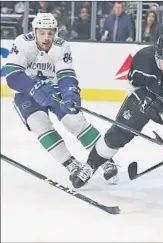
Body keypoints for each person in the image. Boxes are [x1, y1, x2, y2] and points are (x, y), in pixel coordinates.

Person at [71, 33, 163, 207]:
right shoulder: (143, 59)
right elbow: (133, 85)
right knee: (118, 134)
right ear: (157, 57)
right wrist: (144, 99)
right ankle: (90, 166)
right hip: (147, 98)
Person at [5, 13, 118, 182]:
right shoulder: (22, 43)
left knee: (75, 121)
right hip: (25, 91)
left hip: (53, 87)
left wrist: (70, 93)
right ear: (34, 31)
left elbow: (66, 75)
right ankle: (71, 164)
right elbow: (12, 76)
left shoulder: (62, 46)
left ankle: (104, 159)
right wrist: (32, 87)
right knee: (39, 125)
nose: (46, 37)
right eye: (42, 32)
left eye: (50, 32)